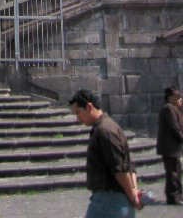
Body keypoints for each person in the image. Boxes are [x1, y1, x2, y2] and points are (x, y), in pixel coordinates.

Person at [69, 88, 141, 216]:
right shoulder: (109, 126)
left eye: (78, 113)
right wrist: (134, 191)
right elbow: (128, 165)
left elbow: (120, 169)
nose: (77, 118)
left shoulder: (105, 130)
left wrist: (133, 197)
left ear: (89, 107)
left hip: (109, 200)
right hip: (111, 200)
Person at [156, 85, 183, 204]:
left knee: (176, 171)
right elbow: (174, 128)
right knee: (172, 173)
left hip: (174, 147)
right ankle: (173, 197)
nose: (180, 99)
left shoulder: (174, 108)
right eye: (177, 97)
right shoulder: (168, 108)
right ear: (170, 97)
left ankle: (178, 195)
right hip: (169, 147)